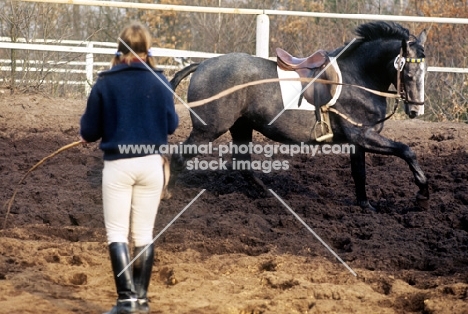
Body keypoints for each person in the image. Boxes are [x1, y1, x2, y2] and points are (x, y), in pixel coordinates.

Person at [80, 22, 179, 314]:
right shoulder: (161, 81)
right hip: (152, 166)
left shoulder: (105, 82)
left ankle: (126, 301)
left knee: (117, 234)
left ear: (119, 48)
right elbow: (171, 125)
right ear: (147, 48)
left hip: (118, 165)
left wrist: (85, 135)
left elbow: (90, 130)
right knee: (144, 234)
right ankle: (143, 300)